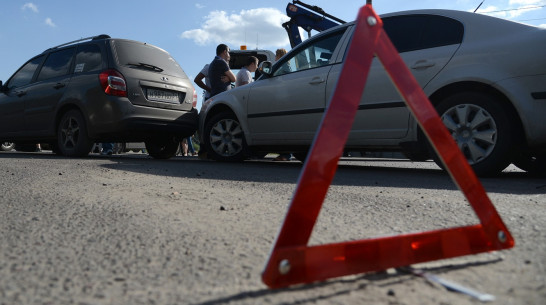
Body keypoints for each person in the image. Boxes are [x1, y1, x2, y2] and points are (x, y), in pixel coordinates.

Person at [272, 48, 293, 162]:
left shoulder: (283, 67)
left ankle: (286, 154)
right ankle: (285, 153)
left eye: (276, 55)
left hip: (283, 99)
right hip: (283, 98)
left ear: (280, 55)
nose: (275, 57)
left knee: (283, 125)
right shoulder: (286, 67)